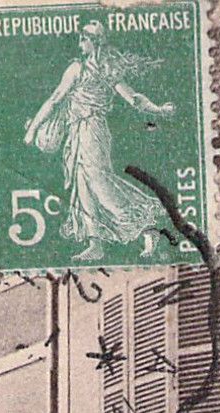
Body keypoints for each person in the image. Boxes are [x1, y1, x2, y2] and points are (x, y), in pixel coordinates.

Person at [24, 20, 176, 261]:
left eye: (83, 39)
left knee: (98, 180)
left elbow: (133, 98)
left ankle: (146, 227)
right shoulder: (78, 68)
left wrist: (157, 110)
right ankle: (95, 243)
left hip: (93, 129)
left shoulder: (102, 70)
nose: (79, 44)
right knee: (82, 185)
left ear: (93, 42)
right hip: (76, 132)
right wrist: (34, 128)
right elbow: (56, 99)